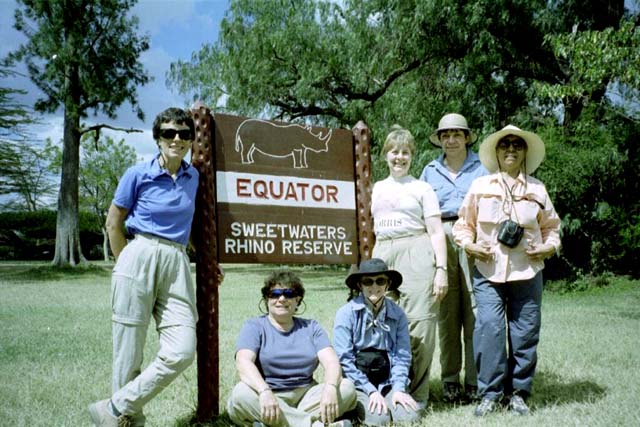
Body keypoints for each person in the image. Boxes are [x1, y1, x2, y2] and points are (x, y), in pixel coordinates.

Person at [89, 108, 201, 427]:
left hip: (177, 261)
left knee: (182, 349)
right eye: (168, 133)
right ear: (157, 138)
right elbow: (114, 222)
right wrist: (125, 261)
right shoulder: (138, 173)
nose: (176, 139)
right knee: (129, 352)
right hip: (139, 253)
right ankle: (128, 421)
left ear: (191, 139)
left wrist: (206, 258)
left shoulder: (195, 177)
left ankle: (113, 407)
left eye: (183, 133)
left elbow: (191, 224)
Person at [452, 125, 561, 416]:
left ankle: (519, 394)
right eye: (504, 145)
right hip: (488, 271)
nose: (510, 149)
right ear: (496, 152)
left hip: (528, 271)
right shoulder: (479, 187)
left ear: (525, 151)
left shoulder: (537, 189)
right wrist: (469, 246)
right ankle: (490, 394)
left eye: (517, 144)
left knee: (525, 333)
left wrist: (548, 248)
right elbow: (462, 226)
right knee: (489, 329)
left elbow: (553, 229)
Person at [370, 126, 448, 407]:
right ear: (385, 155)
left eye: (405, 152)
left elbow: (436, 231)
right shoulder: (376, 188)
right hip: (383, 253)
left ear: (411, 156)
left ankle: (417, 394)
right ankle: (387, 387)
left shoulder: (422, 188)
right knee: (381, 324)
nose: (399, 157)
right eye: (394, 151)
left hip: (416, 251)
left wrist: (441, 269)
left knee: (420, 324)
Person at [227, 270, 357, 427]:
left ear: (298, 299)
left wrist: (330, 387)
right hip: (267, 393)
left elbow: (331, 362)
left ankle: (277, 423)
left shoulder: (311, 327)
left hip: (306, 396)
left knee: (346, 388)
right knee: (240, 395)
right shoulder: (254, 326)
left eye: (288, 293)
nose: (281, 299)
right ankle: (314, 425)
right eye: (274, 294)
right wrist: (264, 392)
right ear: (266, 299)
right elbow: (244, 362)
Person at [419, 113, 487, 403]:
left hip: (474, 236)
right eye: (445, 135)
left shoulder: (483, 168)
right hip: (440, 236)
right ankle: (450, 379)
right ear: (440, 139)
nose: (451, 140)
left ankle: (475, 380)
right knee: (447, 314)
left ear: (466, 137)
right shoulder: (429, 170)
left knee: (475, 312)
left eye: (456, 134)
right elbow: (421, 210)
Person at [333, 258, 421, 426]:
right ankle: (353, 409)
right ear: (360, 285)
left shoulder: (398, 314)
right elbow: (344, 359)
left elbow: (403, 355)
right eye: (368, 281)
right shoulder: (345, 314)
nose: (374, 286)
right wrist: (371, 391)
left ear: (388, 284)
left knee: (410, 417)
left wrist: (398, 389)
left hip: (388, 380)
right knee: (379, 420)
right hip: (358, 383)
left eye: (380, 281)